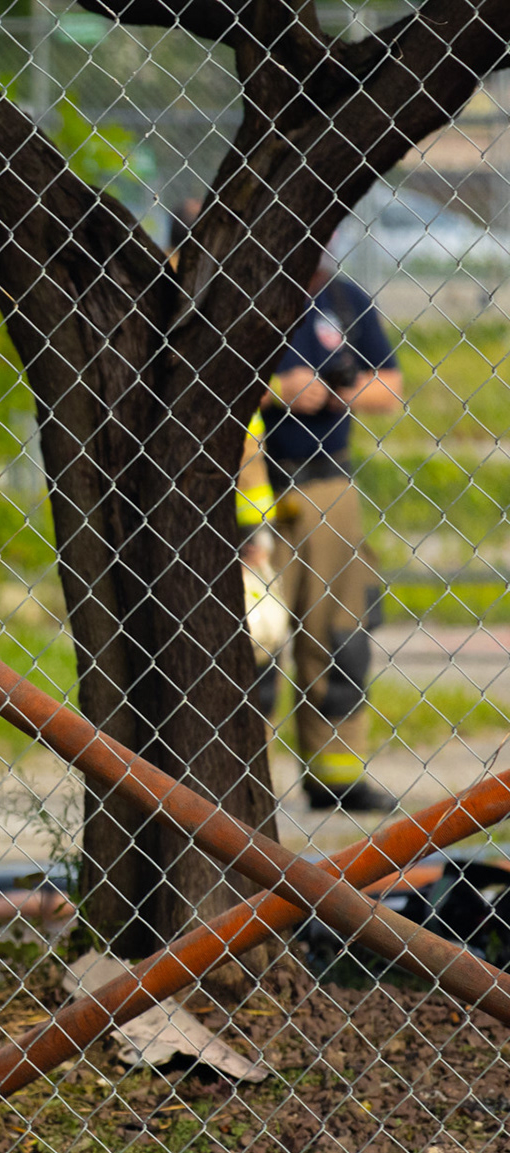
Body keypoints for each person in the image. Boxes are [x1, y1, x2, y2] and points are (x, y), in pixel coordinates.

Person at [257, 258, 405, 812]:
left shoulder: (342, 298)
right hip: (252, 488)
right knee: (253, 642)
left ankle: (336, 778)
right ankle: (243, 781)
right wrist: (279, 389)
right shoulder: (239, 291)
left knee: (339, 638)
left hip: (328, 487)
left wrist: (334, 391)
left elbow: (390, 385)